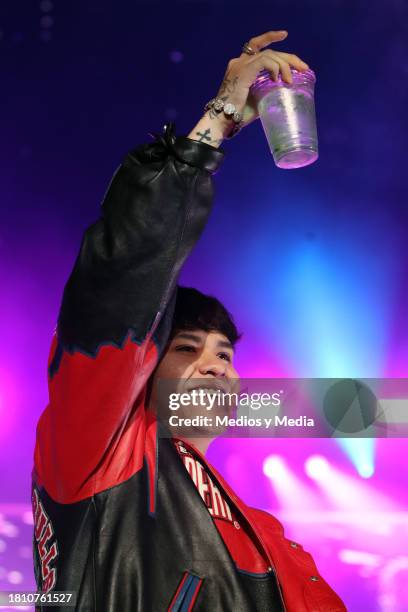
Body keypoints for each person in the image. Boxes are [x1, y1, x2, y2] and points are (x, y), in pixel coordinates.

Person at [32, 29, 346, 611]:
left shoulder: (274, 541)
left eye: (224, 354)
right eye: (187, 348)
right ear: (141, 374)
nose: (214, 368)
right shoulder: (97, 454)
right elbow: (120, 283)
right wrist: (219, 121)